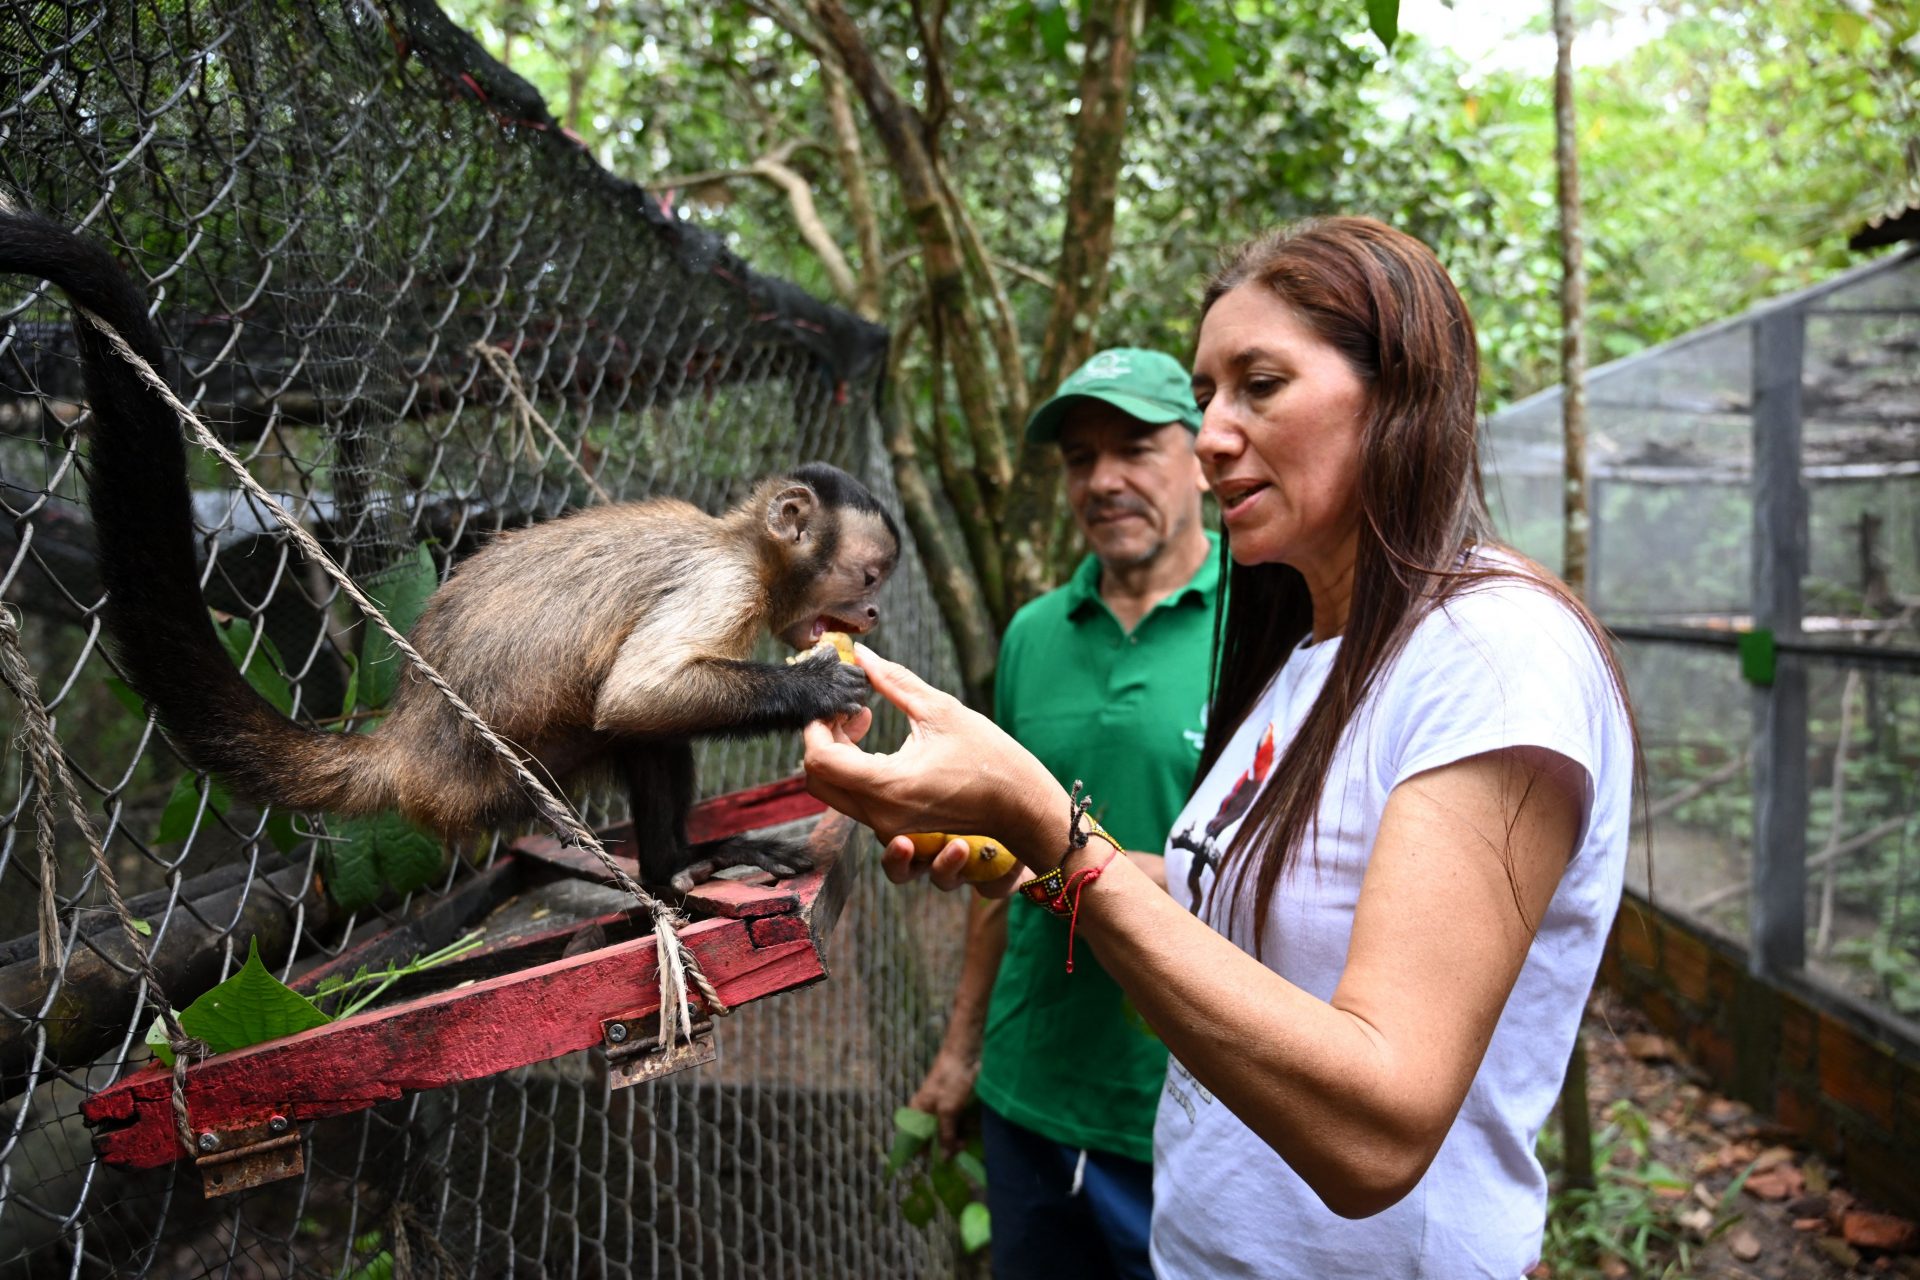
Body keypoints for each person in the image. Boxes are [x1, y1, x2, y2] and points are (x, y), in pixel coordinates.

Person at [803, 217, 1635, 1278]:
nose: (1213, 433)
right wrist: (1034, 855)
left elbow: (1379, 1130)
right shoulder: (1306, 659)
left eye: (1260, 384)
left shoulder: (1496, 648)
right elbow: (1246, 906)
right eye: (1206, 396)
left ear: (1400, 392)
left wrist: (1049, 825)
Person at [910, 347, 1215, 1280]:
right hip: (1028, 1088)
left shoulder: (1269, 619)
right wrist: (962, 1052)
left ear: (1203, 455)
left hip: (1182, 1102)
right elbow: (997, 864)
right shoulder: (1035, 634)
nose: (1105, 480)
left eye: (1135, 448)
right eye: (1081, 458)